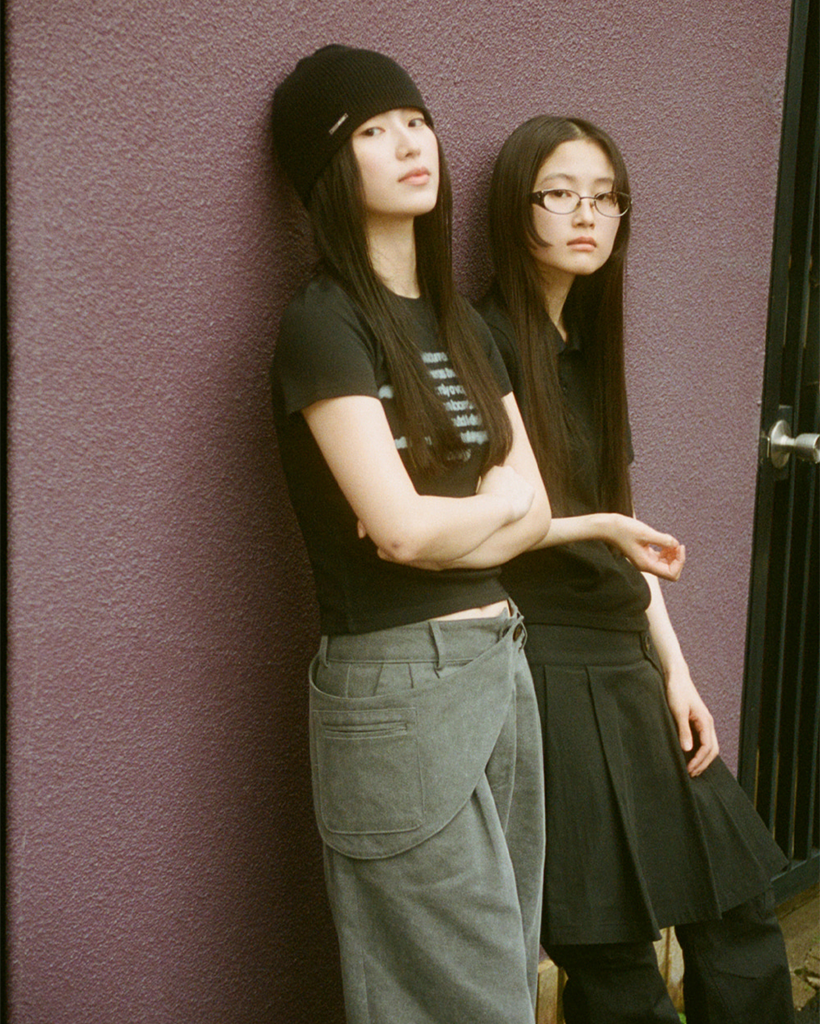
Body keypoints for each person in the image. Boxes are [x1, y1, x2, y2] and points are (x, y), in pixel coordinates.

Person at [477, 115, 795, 1024]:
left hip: (625, 660)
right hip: (547, 664)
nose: (588, 214)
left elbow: (629, 534)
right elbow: (501, 525)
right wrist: (611, 530)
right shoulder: (482, 336)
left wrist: (678, 672)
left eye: (605, 197)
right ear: (516, 207)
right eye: (561, 193)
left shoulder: (586, 341)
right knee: (611, 957)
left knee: (737, 907)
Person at [269, 47, 553, 1024]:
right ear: (327, 169)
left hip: (500, 662)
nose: (408, 142)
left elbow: (535, 510)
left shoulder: (464, 324)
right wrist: (487, 511)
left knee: (503, 977)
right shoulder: (323, 323)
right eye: (372, 130)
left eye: (416, 120)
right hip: (396, 682)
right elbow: (398, 534)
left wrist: (455, 523)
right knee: (457, 1001)